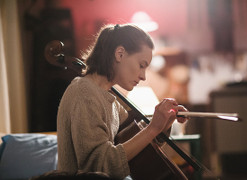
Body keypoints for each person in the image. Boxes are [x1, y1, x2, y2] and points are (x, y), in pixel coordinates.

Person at [57, 23, 188, 179]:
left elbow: (135, 146)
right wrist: (153, 128)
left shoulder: (109, 98)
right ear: (120, 54)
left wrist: (164, 123)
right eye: (141, 65)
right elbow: (98, 168)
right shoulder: (84, 93)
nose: (143, 76)